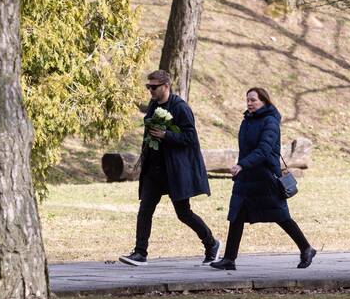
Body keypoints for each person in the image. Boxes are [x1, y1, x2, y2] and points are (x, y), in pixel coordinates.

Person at [119, 69, 219, 266]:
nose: (151, 91)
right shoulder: (153, 105)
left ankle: (211, 244)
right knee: (145, 209)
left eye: (154, 87)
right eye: (148, 87)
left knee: (183, 213)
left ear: (166, 86)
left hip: (174, 171)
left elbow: (191, 139)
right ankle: (140, 253)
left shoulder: (181, 107)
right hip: (154, 169)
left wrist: (166, 135)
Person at [210, 87, 316, 270]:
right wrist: (240, 167)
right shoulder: (247, 121)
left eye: (253, 100)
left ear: (264, 102)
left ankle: (306, 248)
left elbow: (264, 150)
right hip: (246, 177)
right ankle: (229, 259)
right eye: (248, 100)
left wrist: (242, 165)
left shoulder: (270, 122)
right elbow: (246, 150)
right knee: (236, 215)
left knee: (280, 215)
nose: (249, 103)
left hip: (265, 177)